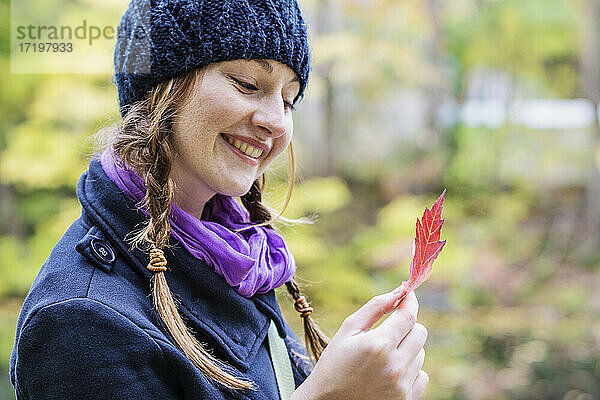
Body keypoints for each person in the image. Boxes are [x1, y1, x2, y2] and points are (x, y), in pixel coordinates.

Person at [9, 0, 430, 399]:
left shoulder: (235, 258)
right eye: (248, 84)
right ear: (161, 87)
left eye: (288, 100)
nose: (275, 123)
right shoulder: (79, 321)